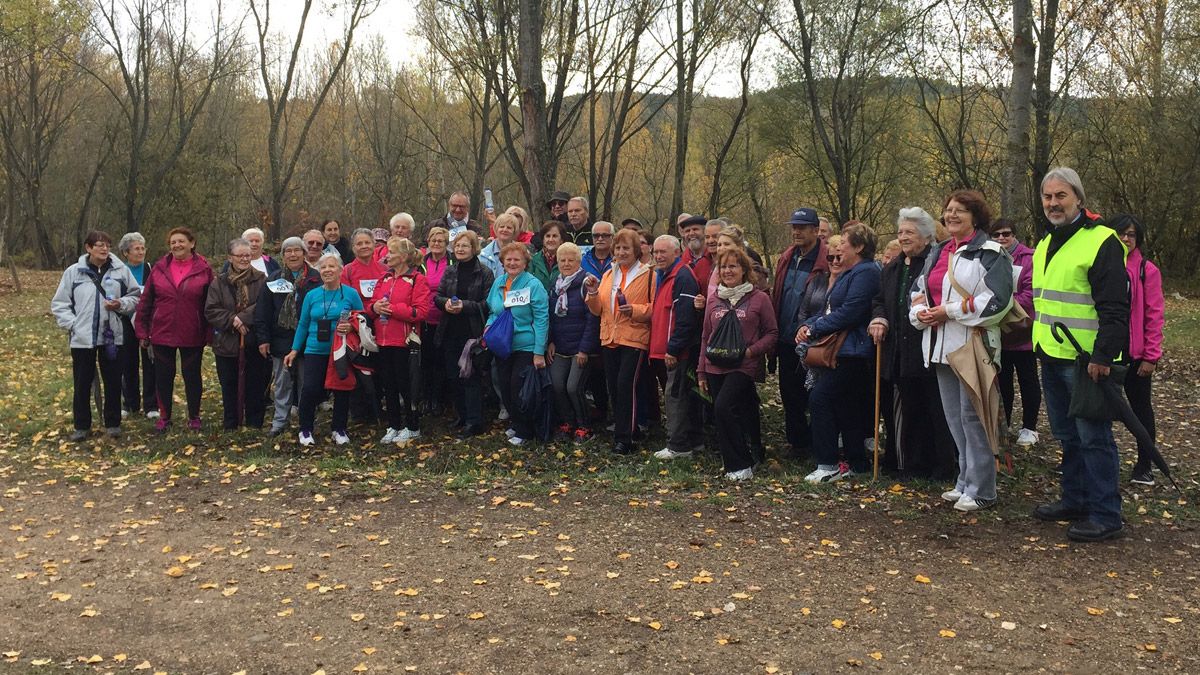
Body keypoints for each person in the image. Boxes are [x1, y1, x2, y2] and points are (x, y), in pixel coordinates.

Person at [1030, 168, 1129, 542]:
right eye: (1048, 197)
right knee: (1067, 435)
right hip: (1051, 354)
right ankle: (1075, 499)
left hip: (1087, 359)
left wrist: (1103, 355)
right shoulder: (1046, 242)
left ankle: (1106, 514)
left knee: (1094, 437)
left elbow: (1115, 308)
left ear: (1078, 199)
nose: (1053, 203)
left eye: (1061, 196)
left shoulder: (1101, 241)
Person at [909, 190, 1013, 511]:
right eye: (948, 210)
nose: (952, 215)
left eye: (960, 211)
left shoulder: (991, 252)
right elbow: (919, 290)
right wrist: (921, 314)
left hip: (973, 346)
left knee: (974, 418)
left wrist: (948, 311)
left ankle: (983, 488)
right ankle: (965, 480)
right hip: (940, 347)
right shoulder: (938, 252)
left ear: (975, 217)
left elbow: (997, 301)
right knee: (954, 418)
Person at [869, 208, 955, 479]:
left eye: (909, 232)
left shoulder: (936, 262)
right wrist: (879, 318)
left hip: (930, 348)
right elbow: (879, 300)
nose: (903, 237)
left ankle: (944, 466)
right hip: (900, 351)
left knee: (937, 408)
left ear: (927, 235)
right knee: (909, 408)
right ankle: (912, 465)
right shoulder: (892, 267)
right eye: (900, 232)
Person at [799, 223, 882, 483]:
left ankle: (827, 464)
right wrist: (808, 324)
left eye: (844, 243)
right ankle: (857, 462)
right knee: (846, 406)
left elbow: (850, 312)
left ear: (858, 247)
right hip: (844, 349)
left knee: (820, 399)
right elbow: (828, 308)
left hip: (853, 350)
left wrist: (814, 330)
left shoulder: (866, 272)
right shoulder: (851, 272)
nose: (838, 248)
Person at [51, 230, 142, 441]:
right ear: (88, 248)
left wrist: (121, 304)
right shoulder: (74, 272)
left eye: (107, 245)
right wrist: (74, 324)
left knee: (113, 381)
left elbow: (135, 296)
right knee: (82, 383)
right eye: (99, 245)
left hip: (113, 336)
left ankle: (113, 423)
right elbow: (60, 303)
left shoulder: (120, 271)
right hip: (83, 338)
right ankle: (81, 426)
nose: (104, 249)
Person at [697, 248, 778, 479]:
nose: (728, 271)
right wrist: (701, 371)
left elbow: (772, 332)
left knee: (724, 406)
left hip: (743, 365)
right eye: (723, 267)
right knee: (722, 413)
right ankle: (733, 461)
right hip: (715, 365)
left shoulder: (759, 298)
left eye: (733, 266)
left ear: (744, 269)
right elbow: (705, 336)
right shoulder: (714, 299)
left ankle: (741, 464)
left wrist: (752, 351)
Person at [135, 227, 214, 433]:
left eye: (181, 241)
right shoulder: (159, 268)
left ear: (192, 243)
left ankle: (194, 416)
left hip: (192, 332)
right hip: (162, 331)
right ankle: (164, 416)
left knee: (192, 376)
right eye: (173, 243)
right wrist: (142, 331)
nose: (177, 245)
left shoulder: (204, 269)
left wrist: (209, 333)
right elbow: (146, 301)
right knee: (163, 376)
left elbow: (210, 303)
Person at [284, 253, 364, 446]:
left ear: (340, 270)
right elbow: (303, 324)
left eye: (332, 266)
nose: (327, 270)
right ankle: (305, 429)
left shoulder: (350, 293)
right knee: (310, 389)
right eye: (323, 267)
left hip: (340, 350)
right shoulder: (311, 295)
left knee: (341, 390)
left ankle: (339, 429)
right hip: (314, 350)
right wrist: (295, 350)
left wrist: (352, 326)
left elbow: (362, 319)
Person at [585, 228, 652, 454]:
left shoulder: (648, 274)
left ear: (636, 251)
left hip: (634, 338)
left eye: (627, 248)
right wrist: (593, 293)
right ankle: (628, 429)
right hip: (609, 338)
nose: (622, 252)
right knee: (613, 387)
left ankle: (624, 438)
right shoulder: (608, 275)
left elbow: (654, 308)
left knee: (626, 386)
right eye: (619, 248)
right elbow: (597, 311)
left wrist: (635, 310)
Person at [1112, 214, 1164, 485]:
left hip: (1136, 355)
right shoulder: (1103, 266)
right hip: (1106, 353)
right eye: (1121, 233)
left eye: (1131, 234)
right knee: (1099, 410)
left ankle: (1145, 464)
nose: (1126, 239)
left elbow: (1154, 315)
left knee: (1141, 410)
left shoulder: (1147, 270)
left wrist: (1151, 356)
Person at [485, 242, 550, 446]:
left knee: (518, 387)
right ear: (502, 262)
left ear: (525, 263)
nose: (512, 263)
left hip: (526, 345)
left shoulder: (533, 285)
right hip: (502, 345)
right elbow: (492, 310)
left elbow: (541, 319)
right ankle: (516, 422)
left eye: (517, 259)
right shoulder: (499, 282)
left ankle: (525, 431)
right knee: (504, 387)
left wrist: (539, 352)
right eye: (508, 259)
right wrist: (488, 326)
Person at [772, 208, 826, 458]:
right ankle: (797, 444)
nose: (797, 231)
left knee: (814, 391)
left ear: (816, 230)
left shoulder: (825, 261)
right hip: (785, 337)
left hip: (814, 338)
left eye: (802, 227)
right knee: (789, 392)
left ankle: (818, 442)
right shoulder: (786, 257)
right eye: (794, 226)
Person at [369, 238, 433, 444]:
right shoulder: (384, 278)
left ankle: (412, 426)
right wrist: (375, 308)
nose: (387, 256)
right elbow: (372, 304)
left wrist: (393, 310)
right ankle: (393, 425)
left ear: (404, 257)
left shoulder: (417, 279)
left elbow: (421, 311)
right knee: (389, 385)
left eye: (392, 252)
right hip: (383, 340)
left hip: (405, 342)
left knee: (407, 385)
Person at [255, 236, 321, 437]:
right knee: (282, 383)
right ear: (283, 256)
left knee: (306, 383)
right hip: (280, 340)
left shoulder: (316, 279)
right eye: (288, 251)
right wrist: (263, 338)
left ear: (304, 253)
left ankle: (306, 421)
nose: (293, 255)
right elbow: (263, 312)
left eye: (297, 250)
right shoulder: (274, 279)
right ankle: (279, 421)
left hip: (309, 340)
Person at [648, 235, 703, 460]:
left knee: (675, 396)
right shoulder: (665, 275)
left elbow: (685, 318)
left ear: (677, 252)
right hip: (669, 349)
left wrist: (674, 348)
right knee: (684, 395)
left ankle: (678, 446)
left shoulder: (682, 276)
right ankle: (694, 441)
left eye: (664, 252)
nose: (659, 256)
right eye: (656, 252)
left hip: (679, 351)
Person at [435, 231, 495, 437]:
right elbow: (438, 296)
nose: (460, 249)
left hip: (472, 331)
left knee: (470, 376)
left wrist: (465, 306)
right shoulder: (450, 270)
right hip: (450, 329)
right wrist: (446, 305)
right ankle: (460, 415)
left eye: (465, 246)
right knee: (453, 375)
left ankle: (474, 421)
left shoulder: (485, 272)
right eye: (458, 246)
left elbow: (489, 303)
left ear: (474, 248)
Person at [205, 238, 268, 430]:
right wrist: (233, 321)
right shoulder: (219, 282)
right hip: (227, 342)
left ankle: (254, 422)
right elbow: (211, 309)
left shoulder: (261, 279)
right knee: (229, 383)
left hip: (254, 340)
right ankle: (231, 422)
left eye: (247, 255)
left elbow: (264, 305)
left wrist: (244, 318)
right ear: (230, 257)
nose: (244, 259)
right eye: (240, 255)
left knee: (256, 383)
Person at [990, 219, 1040, 447]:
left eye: (1006, 234)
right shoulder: (990, 258)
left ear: (1014, 235)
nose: (1001, 238)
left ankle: (1029, 427)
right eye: (997, 234)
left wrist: (1005, 307)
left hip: (1024, 331)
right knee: (1004, 382)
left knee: (1028, 380)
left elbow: (1031, 292)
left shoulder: (1029, 258)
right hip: (1000, 332)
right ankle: (1006, 424)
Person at [547, 242, 600, 441]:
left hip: (581, 347)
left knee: (573, 387)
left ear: (579, 261)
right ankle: (567, 422)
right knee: (557, 385)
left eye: (571, 260)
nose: (567, 264)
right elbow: (551, 315)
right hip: (560, 346)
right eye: (563, 260)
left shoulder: (586, 283)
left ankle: (584, 426)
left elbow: (593, 318)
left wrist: (585, 350)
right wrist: (550, 341)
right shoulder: (556, 285)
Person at [116, 231, 157, 419]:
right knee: (127, 363)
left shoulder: (151, 269)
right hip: (124, 321)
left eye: (143, 248)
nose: (141, 252)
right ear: (126, 252)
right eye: (136, 249)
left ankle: (151, 405)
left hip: (147, 322)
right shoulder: (119, 271)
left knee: (150, 362)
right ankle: (130, 403)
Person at [420, 226, 452, 414]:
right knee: (426, 360)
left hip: (446, 319)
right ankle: (427, 397)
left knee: (441, 360)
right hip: (424, 318)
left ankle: (439, 399)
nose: (436, 244)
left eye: (440, 241)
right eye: (433, 240)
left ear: (446, 243)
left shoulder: (452, 261)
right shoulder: (422, 262)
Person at [341, 228, 390, 310]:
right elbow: (345, 299)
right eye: (359, 244)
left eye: (367, 243)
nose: (364, 246)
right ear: (353, 248)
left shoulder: (385, 269)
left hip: (383, 315)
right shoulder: (347, 270)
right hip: (358, 317)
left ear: (374, 245)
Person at [480, 212, 525, 279]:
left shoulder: (522, 253)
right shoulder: (482, 255)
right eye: (501, 227)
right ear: (496, 229)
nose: (504, 230)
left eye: (509, 228)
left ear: (514, 231)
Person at [530, 221, 565, 293]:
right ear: (543, 240)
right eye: (548, 236)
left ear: (561, 240)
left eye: (555, 236)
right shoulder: (532, 261)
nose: (551, 239)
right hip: (539, 303)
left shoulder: (568, 260)